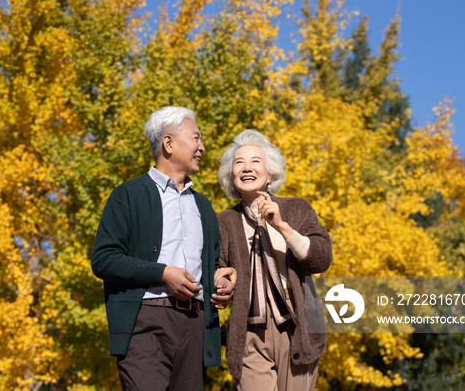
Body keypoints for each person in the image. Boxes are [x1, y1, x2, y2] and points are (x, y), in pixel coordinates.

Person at [91, 106, 236, 391]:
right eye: (196, 138)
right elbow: (104, 259)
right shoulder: (127, 195)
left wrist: (220, 281)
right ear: (168, 143)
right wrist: (162, 273)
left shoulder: (204, 207)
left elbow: (211, 266)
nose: (202, 147)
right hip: (144, 322)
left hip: (196, 324)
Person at [216, 129, 332, 391]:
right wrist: (222, 281)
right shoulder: (224, 221)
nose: (246, 167)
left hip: (298, 328)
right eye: (239, 162)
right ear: (231, 176)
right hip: (249, 333)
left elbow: (321, 259)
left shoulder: (297, 208)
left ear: (270, 173)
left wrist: (283, 227)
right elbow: (218, 267)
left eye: (255, 161)